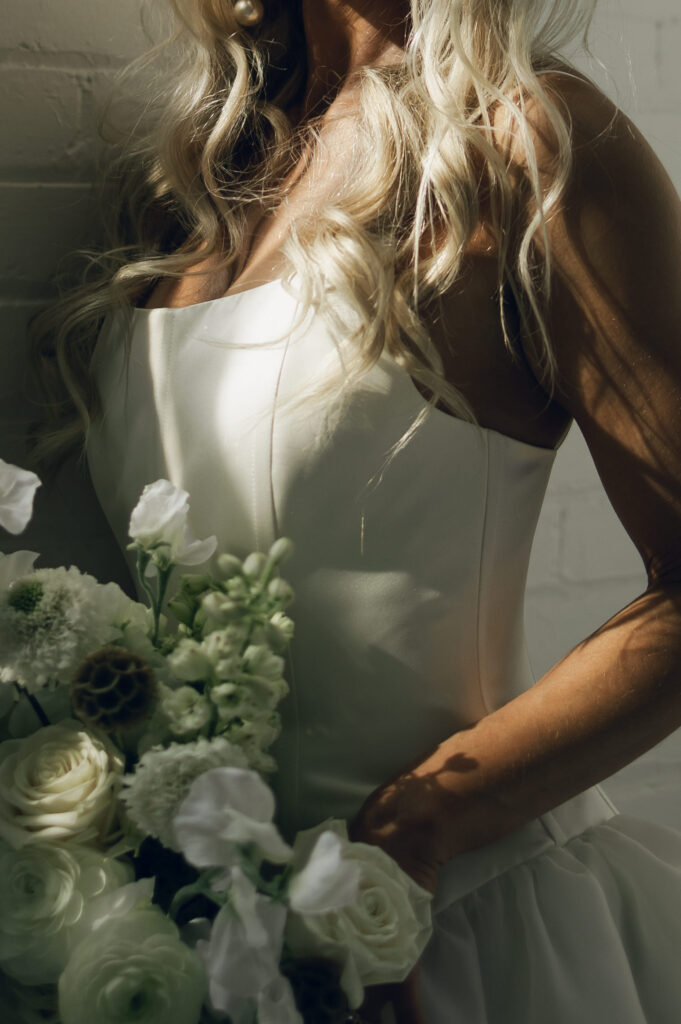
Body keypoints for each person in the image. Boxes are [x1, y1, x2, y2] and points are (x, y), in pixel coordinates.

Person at [28, 1, 681, 1021]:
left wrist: (418, 827)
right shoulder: (201, 166)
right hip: (199, 939)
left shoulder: (529, 144)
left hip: (449, 937)